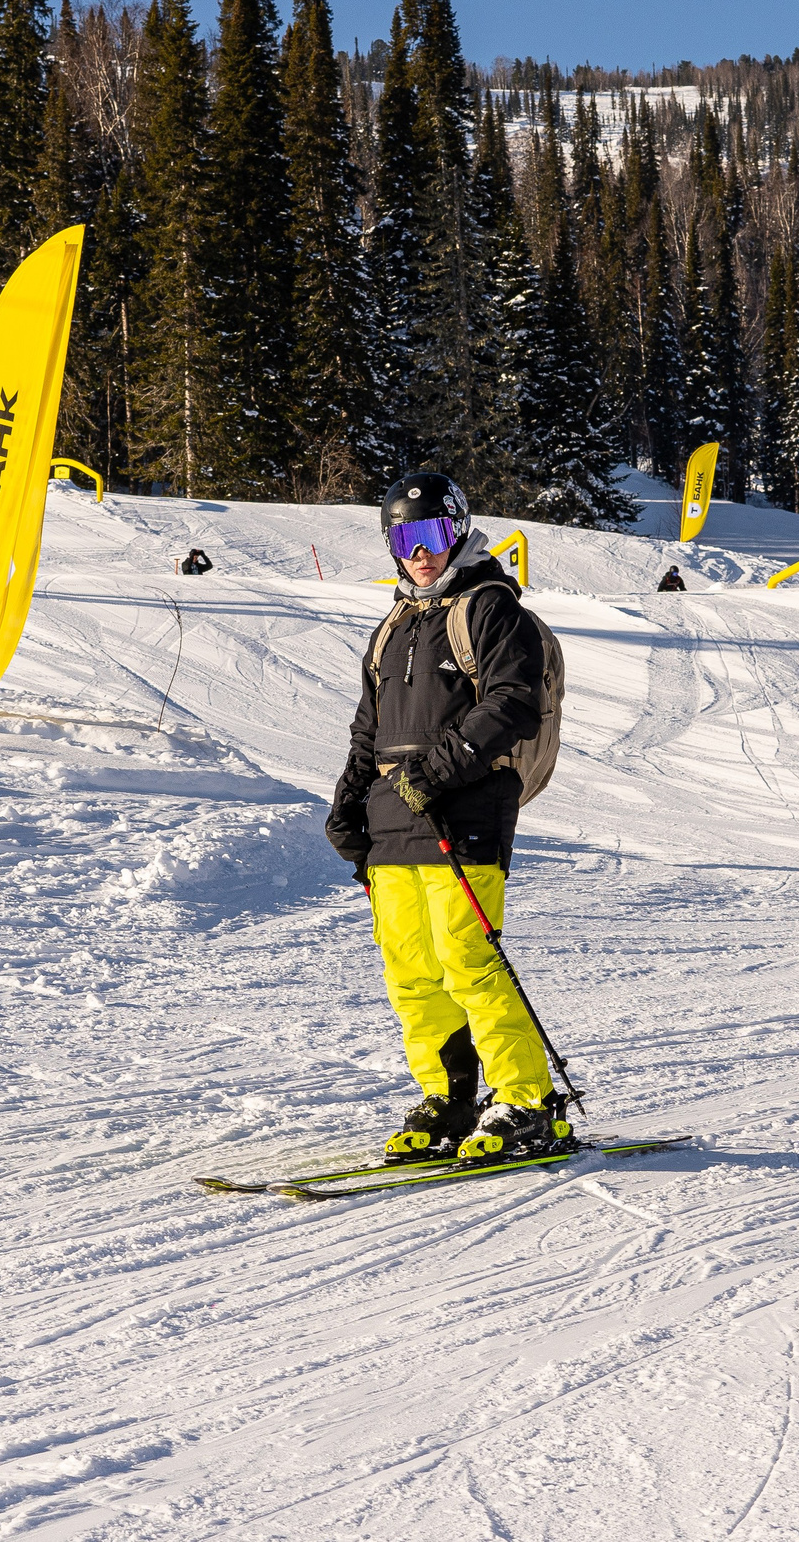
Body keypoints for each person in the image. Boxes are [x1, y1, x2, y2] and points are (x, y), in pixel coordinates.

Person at [325, 471, 562, 1162]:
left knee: (468, 959)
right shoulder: (394, 624)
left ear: (456, 528)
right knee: (410, 970)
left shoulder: (488, 607)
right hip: (395, 813)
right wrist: (347, 802)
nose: (419, 552)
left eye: (430, 534)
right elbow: (368, 730)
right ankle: (449, 1094)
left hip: (467, 805)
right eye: (404, 538)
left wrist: (435, 770)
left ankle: (524, 1101)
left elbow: (514, 702)